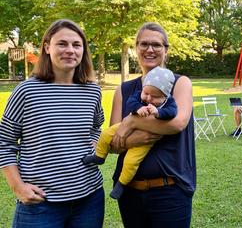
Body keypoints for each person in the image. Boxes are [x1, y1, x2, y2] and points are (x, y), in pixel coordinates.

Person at [0, 19, 105, 227]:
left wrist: (93, 144)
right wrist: (18, 187)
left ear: (83, 50)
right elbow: (4, 141)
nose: (70, 50)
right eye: (62, 44)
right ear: (47, 47)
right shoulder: (27, 91)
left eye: (76, 45)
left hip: (89, 198)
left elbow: (96, 126)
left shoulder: (92, 91)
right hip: (41, 203)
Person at [108, 22, 195, 227]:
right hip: (129, 190)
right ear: (135, 48)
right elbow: (113, 143)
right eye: (144, 44)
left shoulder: (180, 83)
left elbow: (177, 123)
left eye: (156, 45)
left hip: (171, 190)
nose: (150, 49)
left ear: (166, 50)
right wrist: (138, 136)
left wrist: (131, 122)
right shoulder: (124, 90)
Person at [82, 66, 177, 199]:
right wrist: (138, 108)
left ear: (165, 96)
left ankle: (121, 184)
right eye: (146, 93)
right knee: (106, 134)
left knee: (131, 162)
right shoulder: (139, 95)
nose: (148, 98)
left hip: (146, 139)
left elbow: (173, 112)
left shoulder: (169, 102)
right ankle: (99, 156)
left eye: (155, 96)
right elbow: (130, 103)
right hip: (126, 127)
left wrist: (159, 112)